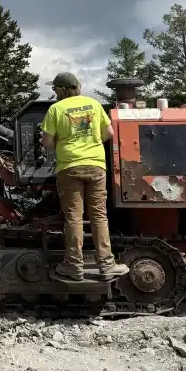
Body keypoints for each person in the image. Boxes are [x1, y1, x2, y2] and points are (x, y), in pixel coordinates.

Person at [39, 72, 129, 282]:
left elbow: (47, 143)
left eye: (55, 89)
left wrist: (66, 141)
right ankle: (107, 265)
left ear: (62, 90)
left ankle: (74, 266)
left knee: (74, 217)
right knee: (99, 216)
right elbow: (108, 133)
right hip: (96, 165)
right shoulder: (94, 104)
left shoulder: (55, 109)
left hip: (70, 167)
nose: (54, 93)